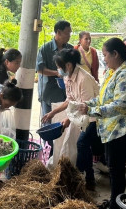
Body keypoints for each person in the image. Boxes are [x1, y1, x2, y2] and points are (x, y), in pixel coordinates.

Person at [78, 37, 126, 209]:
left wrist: (91, 111)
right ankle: (114, 202)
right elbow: (102, 98)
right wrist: (87, 104)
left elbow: (120, 105)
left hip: (123, 130)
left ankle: (116, 205)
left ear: (115, 54)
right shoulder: (112, 72)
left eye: (105, 55)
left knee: (116, 170)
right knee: (113, 167)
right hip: (111, 128)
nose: (104, 59)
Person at [41, 48, 100, 190]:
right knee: (83, 146)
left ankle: (80, 177)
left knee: (81, 144)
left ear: (68, 65)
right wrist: (53, 112)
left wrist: (69, 119)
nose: (58, 70)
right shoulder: (67, 77)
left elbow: (85, 106)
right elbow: (70, 99)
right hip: (80, 116)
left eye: (59, 66)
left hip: (92, 116)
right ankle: (87, 177)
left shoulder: (84, 78)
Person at [36, 20, 73, 151]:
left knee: (64, 123)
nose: (69, 35)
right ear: (58, 32)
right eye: (67, 32)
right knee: (49, 121)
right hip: (49, 93)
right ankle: (49, 151)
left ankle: (61, 151)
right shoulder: (45, 49)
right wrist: (56, 73)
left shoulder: (70, 49)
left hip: (67, 94)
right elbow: (39, 69)